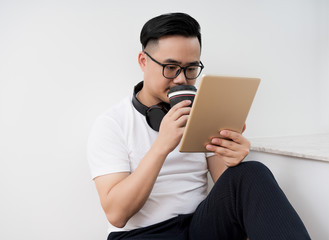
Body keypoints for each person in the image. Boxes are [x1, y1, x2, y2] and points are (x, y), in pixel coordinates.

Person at [87, 12, 310, 240]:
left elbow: (230, 191)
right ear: (143, 62)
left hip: (198, 228)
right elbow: (117, 214)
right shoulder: (112, 124)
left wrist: (233, 160)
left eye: (191, 69)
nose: (182, 79)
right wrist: (161, 146)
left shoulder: (203, 114)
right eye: (171, 67)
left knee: (252, 172)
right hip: (141, 235)